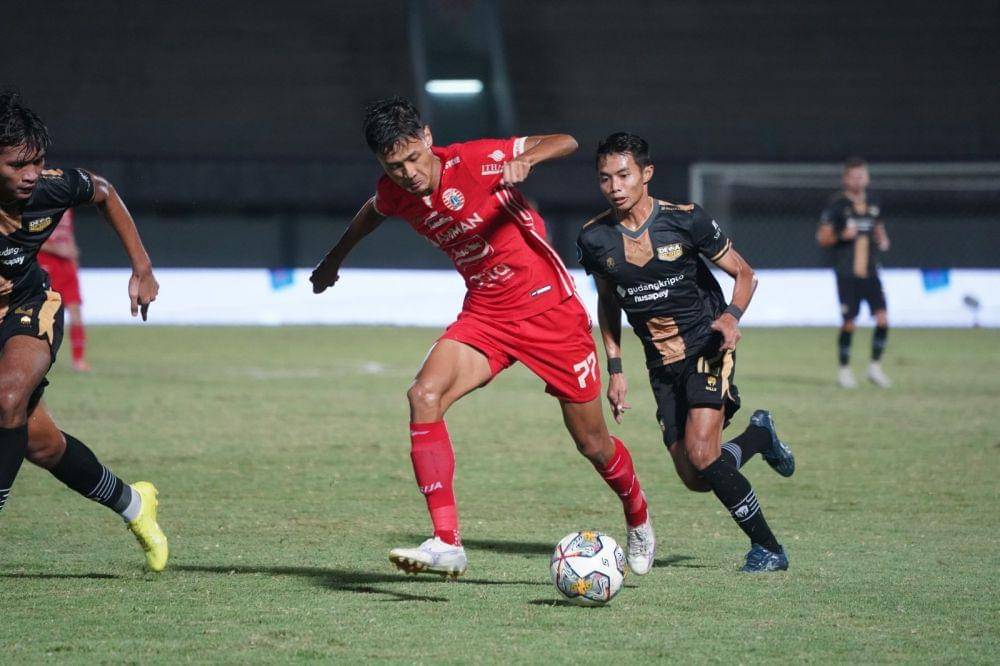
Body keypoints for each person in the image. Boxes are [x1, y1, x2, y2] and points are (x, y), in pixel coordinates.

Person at [311, 98, 655, 578]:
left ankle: (637, 513)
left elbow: (567, 141)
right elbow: (373, 211)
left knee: (593, 444)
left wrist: (526, 158)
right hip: (487, 314)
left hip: (548, 311)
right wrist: (334, 258)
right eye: (394, 166)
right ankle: (447, 541)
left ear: (428, 138)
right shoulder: (395, 191)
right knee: (423, 395)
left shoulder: (473, 161)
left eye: (413, 158)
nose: (408, 172)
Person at [576, 133, 794, 572]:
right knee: (697, 475)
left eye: (624, 175)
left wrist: (731, 317)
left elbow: (745, 274)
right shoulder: (595, 238)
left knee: (701, 452)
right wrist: (615, 369)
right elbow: (608, 303)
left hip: (706, 345)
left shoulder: (686, 220)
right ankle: (758, 436)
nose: (615, 186)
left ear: (646, 174)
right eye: (605, 178)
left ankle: (769, 548)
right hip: (660, 364)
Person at [0, 91, 167, 571]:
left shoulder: (52, 187)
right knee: (42, 444)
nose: (32, 174)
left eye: (38, 161)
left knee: (8, 397)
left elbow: (104, 193)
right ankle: (135, 504)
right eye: (17, 165)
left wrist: (141, 266)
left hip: (27, 308)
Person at [817, 157, 891, 389]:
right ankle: (844, 369)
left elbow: (878, 227)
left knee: (883, 318)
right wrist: (841, 236)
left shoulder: (874, 203)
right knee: (849, 322)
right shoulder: (836, 205)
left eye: (862, 175)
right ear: (846, 179)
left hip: (871, 272)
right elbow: (822, 237)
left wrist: (882, 238)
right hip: (847, 272)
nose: (859, 179)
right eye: (854, 176)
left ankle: (875, 367)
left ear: (867, 177)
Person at [37, 208, 88, 371]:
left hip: (67, 265)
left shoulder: (67, 208)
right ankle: (38, 358)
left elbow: (68, 233)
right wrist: (57, 250)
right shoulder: (40, 205)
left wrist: (74, 258)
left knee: (75, 312)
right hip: (47, 263)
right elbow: (32, 238)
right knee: (45, 315)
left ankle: (78, 360)